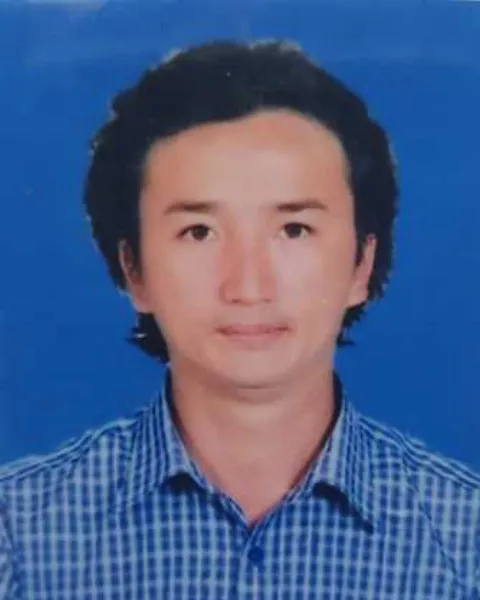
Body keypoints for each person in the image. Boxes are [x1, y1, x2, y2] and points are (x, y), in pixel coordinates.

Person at [0, 39, 479, 600]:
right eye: (199, 232)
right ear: (133, 268)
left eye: (294, 229)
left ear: (361, 264)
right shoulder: (20, 536)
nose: (249, 286)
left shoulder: (465, 540)